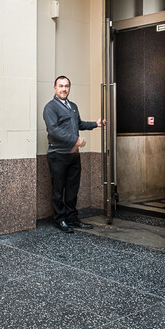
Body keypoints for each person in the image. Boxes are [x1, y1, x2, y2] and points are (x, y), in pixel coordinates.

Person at [42, 75, 104, 234]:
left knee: (72, 189)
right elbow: (54, 131)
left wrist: (95, 124)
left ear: (69, 88)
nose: (64, 89)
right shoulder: (50, 107)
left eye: (66, 86)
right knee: (58, 190)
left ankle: (72, 218)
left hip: (73, 156)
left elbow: (79, 124)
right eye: (61, 86)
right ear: (55, 88)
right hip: (58, 155)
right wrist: (75, 140)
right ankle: (60, 219)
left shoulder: (73, 106)